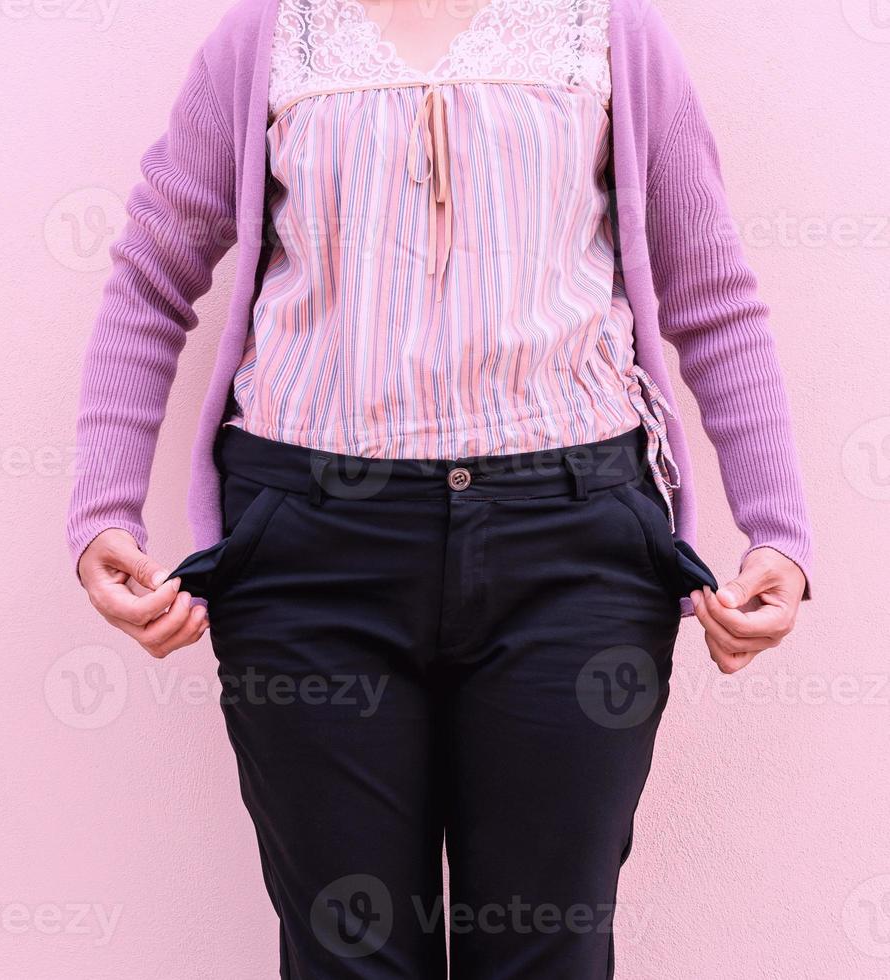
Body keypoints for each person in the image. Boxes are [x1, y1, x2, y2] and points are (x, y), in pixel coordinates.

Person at [69, 0, 811, 975]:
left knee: (546, 954)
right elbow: (151, 276)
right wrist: (102, 508)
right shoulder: (271, 36)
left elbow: (711, 292)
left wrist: (778, 529)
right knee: (351, 954)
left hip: (572, 547)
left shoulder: (605, 30)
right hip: (310, 554)